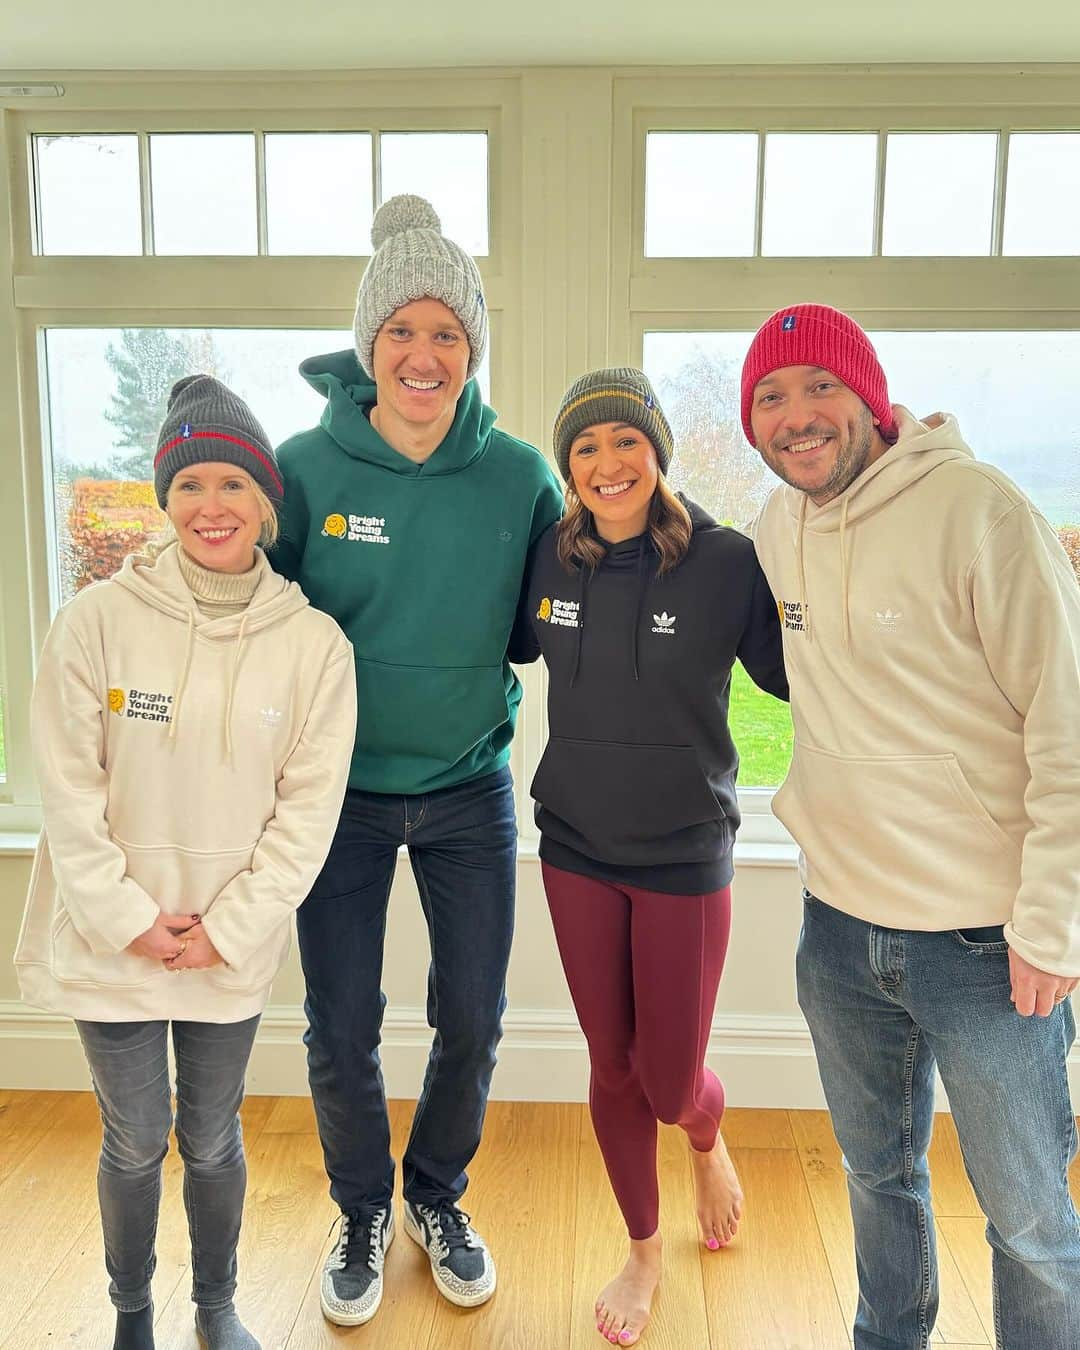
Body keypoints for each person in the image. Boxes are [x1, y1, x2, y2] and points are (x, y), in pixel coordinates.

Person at [743, 302, 1080, 1350]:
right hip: (838, 932)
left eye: (819, 388)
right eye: (770, 397)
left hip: (986, 943)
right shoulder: (774, 529)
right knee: (878, 1176)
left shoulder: (978, 510)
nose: (797, 417)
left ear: (871, 399)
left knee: (1028, 1221)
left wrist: (1053, 925)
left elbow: (1068, 727)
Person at [14, 376, 356, 1350]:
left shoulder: (315, 649)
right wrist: (127, 915)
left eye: (234, 485)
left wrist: (230, 929)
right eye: (190, 485)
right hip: (107, 936)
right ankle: (131, 1316)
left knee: (210, 1138)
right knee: (131, 1139)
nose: (213, 506)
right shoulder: (93, 624)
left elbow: (307, 814)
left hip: (226, 947)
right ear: (165, 501)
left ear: (266, 504)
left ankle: (215, 1308)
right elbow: (67, 794)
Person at [271, 194, 563, 1326]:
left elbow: (564, 614)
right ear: (369, 346)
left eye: (447, 332)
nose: (424, 354)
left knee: (475, 1016)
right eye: (402, 331)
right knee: (340, 1021)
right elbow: (255, 619)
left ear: (471, 349)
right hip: (336, 798)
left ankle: (437, 1193)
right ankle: (361, 1208)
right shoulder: (305, 469)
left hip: (467, 787)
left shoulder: (522, 474)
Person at [513, 368, 788, 1346]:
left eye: (624, 442)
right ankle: (642, 1247)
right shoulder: (547, 559)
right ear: (569, 469)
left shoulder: (723, 563)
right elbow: (482, 641)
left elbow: (803, 674)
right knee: (612, 1065)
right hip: (575, 846)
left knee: (670, 1079)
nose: (606, 463)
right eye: (584, 448)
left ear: (657, 451)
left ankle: (705, 1138)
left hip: (683, 851)